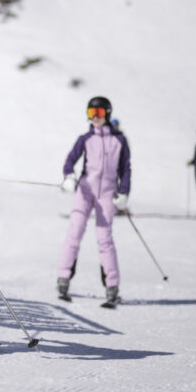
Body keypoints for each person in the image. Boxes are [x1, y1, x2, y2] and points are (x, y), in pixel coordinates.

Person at [56, 96, 131, 307]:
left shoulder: (119, 141)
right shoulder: (85, 139)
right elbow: (70, 160)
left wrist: (123, 192)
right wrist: (69, 177)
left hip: (107, 194)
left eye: (98, 113)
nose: (94, 118)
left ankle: (111, 286)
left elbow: (125, 169)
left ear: (107, 114)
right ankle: (63, 278)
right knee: (74, 232)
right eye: (90, 113)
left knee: (104, 239)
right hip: (85, 191)